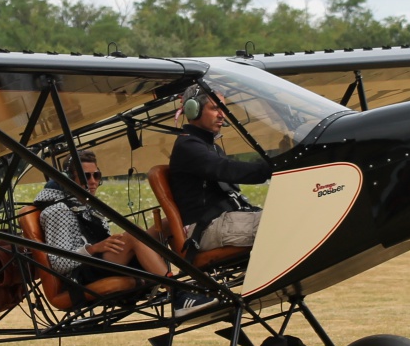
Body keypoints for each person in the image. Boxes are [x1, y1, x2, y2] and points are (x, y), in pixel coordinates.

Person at [168, 84, 272, 318]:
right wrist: (271, 168)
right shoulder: (188, 146)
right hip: (206, 229)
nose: (222, 114)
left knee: (283, 215)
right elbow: (224, 169)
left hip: (225, 221)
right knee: (277, 222)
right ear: (193, 110)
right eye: (215, 108)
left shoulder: (209, 146)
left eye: (223, 108)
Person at [35, 150, 170, 288]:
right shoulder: (58, 210)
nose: (93, 182)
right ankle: (177, 291)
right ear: (69, 179)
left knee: (167, 224)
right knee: (133, 236)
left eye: (96, 175)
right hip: (81, 272)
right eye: (85, 176)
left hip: (102, 261)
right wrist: (93, 249)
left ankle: (190, 275)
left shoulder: (90, 206)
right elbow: (58, 263)